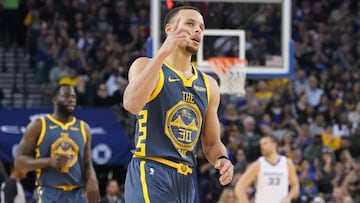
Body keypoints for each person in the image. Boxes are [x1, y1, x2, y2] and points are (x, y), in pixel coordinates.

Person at [123, 5, 234, 202]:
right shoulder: (145, 66)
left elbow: (211, 143)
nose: (198, 30)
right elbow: (132, 104)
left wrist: (222, 159)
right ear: (169, 29)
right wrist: (164, 51)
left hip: (186, 178)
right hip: (151, 169)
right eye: (190, 24)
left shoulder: (209, 85)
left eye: (201, 26)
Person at [14, 84, 100, 203]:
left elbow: (87, 163)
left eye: (74, 97)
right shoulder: (39, 125)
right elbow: (19, 162)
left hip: (78, 194)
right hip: (49, 192)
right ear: (55, 99)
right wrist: (49, 161)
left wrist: (92, 178)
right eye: (66, 96)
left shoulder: (84, 128)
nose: (71, 100)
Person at [235, 135, 299, 203]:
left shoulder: (287, 163)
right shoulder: (258, 164)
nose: (262, 146)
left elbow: (296, 186)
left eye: (265, 143)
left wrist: (289, 197)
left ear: (274, 144)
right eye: (261, 144)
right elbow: (239, 187)